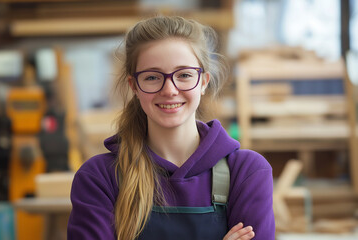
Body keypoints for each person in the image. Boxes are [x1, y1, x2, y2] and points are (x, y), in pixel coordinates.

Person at [67, 16, 275, 240]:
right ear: (134, 86)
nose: (169, 89)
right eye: (153, 77)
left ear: (203, 82)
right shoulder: (99, 178)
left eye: (184, 75)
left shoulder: (245, 172)